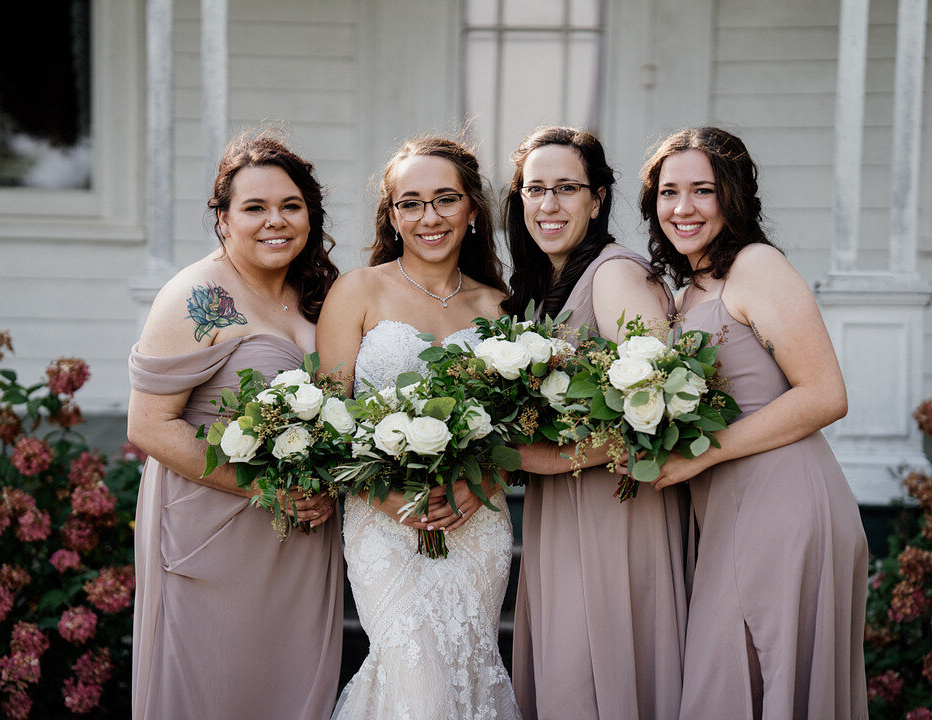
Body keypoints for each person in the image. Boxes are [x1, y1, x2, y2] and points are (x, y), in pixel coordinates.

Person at [641, 126, 868, 719]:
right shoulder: (689, 289)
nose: (682, 208)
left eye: (703, 191)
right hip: (725, 509)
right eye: (668, 192)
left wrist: (705, 452)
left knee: (755, 685)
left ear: (733, 197)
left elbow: (825, 394)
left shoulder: (757, 265)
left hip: (782, 503)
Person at [127, 130, 343, 720]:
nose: (276, 221)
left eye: (291, 206)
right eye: (254, 208)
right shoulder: (201, 297)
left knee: (292, 685)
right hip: (216, 531)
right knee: (218, 686)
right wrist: (270, 488)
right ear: (223, 220)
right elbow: (149, 426)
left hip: (302, 535)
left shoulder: (318, 293)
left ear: (310, 216)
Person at [317, 136, 520, 719]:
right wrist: (385, 496)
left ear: (472, 209)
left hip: (474, 521)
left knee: (466, 674)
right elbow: (328, 418)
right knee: (418, 679)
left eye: (445, 199)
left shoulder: (499, 309)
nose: (428, 217)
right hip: (380, 516)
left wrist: (476, 482)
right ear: (393, 214)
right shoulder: (358, 289)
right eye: (410, 202)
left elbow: (513, 432)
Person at [505, 126, 688, 720]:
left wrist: (540, 458)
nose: (548, 205)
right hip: (565, 508)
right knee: (568, 675)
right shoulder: (544, 289)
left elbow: (661, 414)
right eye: (536, 189)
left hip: (616, 510)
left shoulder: (613, 273)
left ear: (598, 198)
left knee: (600, 670)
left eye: (566, 188)